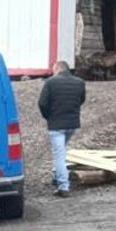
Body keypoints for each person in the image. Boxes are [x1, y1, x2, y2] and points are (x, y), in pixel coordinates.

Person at [38, 61, 86, 198]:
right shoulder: (79, 82)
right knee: (61, 150)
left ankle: (63, 186)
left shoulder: (50, 82)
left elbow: (42, 103)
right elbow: (81, 100)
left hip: (56, 125)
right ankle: (56, 175)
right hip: (73, 124)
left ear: (58, 68)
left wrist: (48, 117)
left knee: (59, 155)